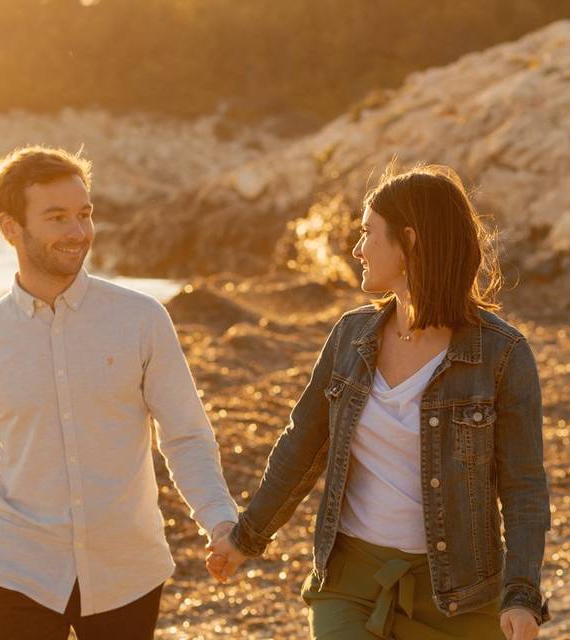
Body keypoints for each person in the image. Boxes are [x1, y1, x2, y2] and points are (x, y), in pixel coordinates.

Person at [207, 164, 551, 640]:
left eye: (368, 232)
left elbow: (524, 487)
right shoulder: (351, 336)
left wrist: (521, 596)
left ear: (408, 243)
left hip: (460, 594)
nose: (357, 248)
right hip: (350, 581)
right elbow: (302, 444)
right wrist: (246, 538)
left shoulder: (502, 355)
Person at [0, 146, 237, 640]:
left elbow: (185, 436)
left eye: (84, 214)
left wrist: (220, 521)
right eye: (57, 218)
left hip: (128, 573)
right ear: (10, 227)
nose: (78, 233)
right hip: (20, 578)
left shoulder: (141, 320)